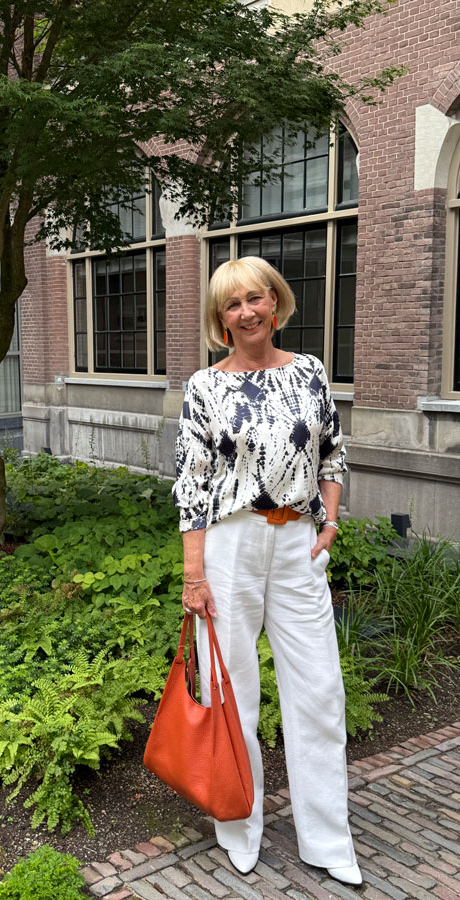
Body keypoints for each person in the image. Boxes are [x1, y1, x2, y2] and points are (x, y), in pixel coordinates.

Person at [172, 257, 361, 887]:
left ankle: (328, 841)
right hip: (229, 548)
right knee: (233, 695)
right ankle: (239, 823)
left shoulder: (309, 372)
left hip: (298, 544)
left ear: (275, 304)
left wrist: (329, 524)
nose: (247, 311)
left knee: (320, 692)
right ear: (220, 320)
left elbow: (333, 452)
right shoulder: (204, 388)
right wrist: (194, 576)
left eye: (256, 298)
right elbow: (191, 487)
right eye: (232, 304)